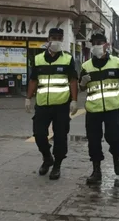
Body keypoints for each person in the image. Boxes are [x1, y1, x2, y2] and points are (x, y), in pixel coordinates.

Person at [25, 28, 79, 180]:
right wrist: (28, 98)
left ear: (62, 40)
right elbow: (33, 80)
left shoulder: (67, 59)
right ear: (48, 39)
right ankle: (47, 158)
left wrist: (74, 100)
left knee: (60, 136)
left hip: (61, 105)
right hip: (42, 104)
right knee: (39, 134)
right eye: (53, 37)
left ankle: (57, 165)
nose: (56, 40)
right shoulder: (38, 59)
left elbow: (73, 80)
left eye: (59, 38)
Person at [79, 33, 119, 184]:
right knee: (93, 141)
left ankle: (116, 156)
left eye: (100, 42)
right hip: (93, 110)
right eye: (94, 43)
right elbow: (82, 88)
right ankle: (96, 170)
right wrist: (83, 81)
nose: (97, 45)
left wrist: (114, 94)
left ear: (106, 45)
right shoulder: (86, 66)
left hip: (112, 108)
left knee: (114, 137)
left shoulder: (117, 62)